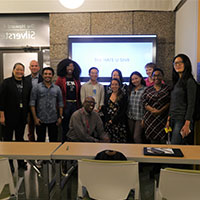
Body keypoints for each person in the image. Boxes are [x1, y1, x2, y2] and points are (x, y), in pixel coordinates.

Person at [0, 62, 32, 171]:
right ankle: (9, 163)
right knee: (8, 140)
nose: (19, 72)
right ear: (13, 70)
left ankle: (20, 162)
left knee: (20, 140)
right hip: (8, 116)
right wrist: (2, 115)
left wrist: (27, 115)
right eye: (17, 69)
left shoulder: (27, 83)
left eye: (21, 70)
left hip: (21, 117)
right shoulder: (6, 82)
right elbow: (1, 100)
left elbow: (27, 100)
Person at [166, 54, 196, 145]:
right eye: (175, 63)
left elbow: (191, 104)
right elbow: (173, 102)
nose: (177, 65)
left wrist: (187, 124)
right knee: (172, 145)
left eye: (180, 63)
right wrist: (168, 118)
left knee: (176, 146)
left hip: (182, 119)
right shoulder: (176, 82)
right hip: (173, 118)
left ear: (186, 64)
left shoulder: (190, 81)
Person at [30, 67, 64, 142]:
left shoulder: (57, 88)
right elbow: (32, 103)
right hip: (40, 119)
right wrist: (35, 118)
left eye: (49, 74)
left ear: (52, 75)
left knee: (53, 140)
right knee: (40, 140)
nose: (47, 76)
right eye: (45, 74)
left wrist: (60, 117)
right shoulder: (36, 87)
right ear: (42, 75)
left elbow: (60, 103)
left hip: (54, 119)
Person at [141, 68, 170, 144]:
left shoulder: (168, 88)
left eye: (158, 75)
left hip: (163, 119)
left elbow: (170, 102)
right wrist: (152, 110)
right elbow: (143, 102)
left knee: (163, 141)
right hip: (150, 119)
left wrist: (160, 111)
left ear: (162, 76)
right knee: (153, 142)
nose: (156, 77)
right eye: (154, 75)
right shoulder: (147, 89)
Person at [56, 58, 81, 142]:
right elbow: (57, 93)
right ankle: (64, 142)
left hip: (75, 105)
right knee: (65, 125)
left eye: (72, 66)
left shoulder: (76, 79)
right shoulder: (60, 79)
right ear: (64, 68)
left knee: (74, 125)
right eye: (68, 66)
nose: (70, 68)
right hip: (65, 105)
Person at [102, 78, 128, 143]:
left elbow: (123, 111)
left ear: (119, 85)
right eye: (112, 84)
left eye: (116, 84)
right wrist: (108, 119)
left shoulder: (123, 96)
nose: (114, 86)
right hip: (109, 123)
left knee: (119, 142)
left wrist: (113, 120)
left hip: (119, 123)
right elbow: (105, 108)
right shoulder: (108, 95)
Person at [25, 60, 43, 141]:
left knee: (40, 130)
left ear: (39, 67)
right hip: (28, 108)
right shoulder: (25, 79)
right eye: (32, 66)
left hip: (40, 107)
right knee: (30, 129)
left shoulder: (44, 79)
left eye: (36, 66)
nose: (34, 67)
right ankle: (31, 146)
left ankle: (40, 148)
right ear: (29, 68)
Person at [127, 71, 146, 143]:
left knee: (136, 137)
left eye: (136, 78)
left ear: (140, 78)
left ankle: (140, 152)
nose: (134, 81)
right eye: (132, 79)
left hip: (140, 118)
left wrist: (144, 119)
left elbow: (146, 105)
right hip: (130, 117)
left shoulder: (145, 90)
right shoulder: (130, 90)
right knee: (131, 136)